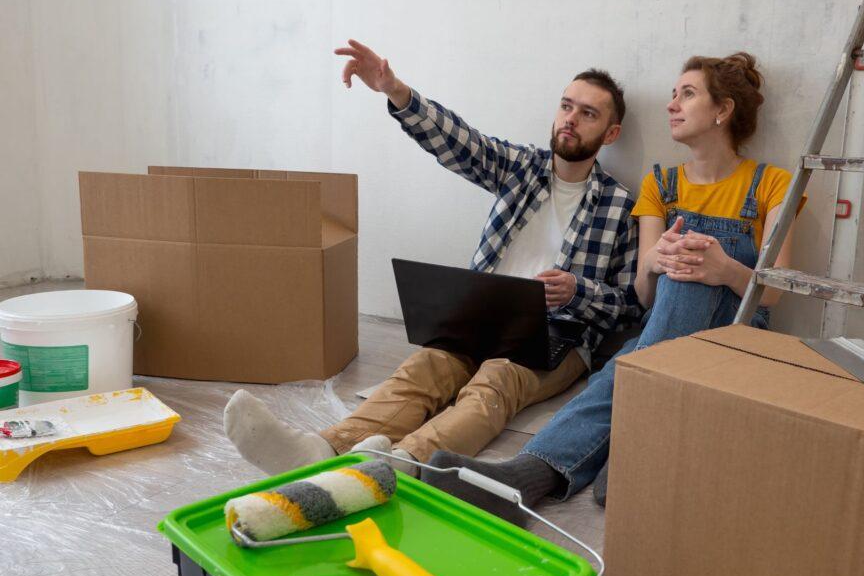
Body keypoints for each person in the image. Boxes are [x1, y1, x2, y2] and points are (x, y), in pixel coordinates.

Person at [422, 52, 806, 524]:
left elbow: (773, 293)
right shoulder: (660, 185)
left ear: (723, 110)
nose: (672, 105)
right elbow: (645, 296)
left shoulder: (773, 184)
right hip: (662, 330)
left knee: (643, 343)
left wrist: (724, 268)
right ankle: (546, 471)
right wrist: (656, 263)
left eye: (687, 94)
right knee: (652, 317)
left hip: (735, 335)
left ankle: (585, 460)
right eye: (672, 95)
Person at [224, 39, 638, 476]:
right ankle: (321, 449)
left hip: (560, 335)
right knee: (425, 367)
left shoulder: (621, 205)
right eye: (566, 106)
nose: (570, 119)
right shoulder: (522, 167)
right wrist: (394, 89)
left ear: (610, 134)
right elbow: (460, 142)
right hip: (484, 316)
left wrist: (578, 292)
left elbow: (631, 305)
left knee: (494, 382)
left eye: (588, 113)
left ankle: (402, 462)